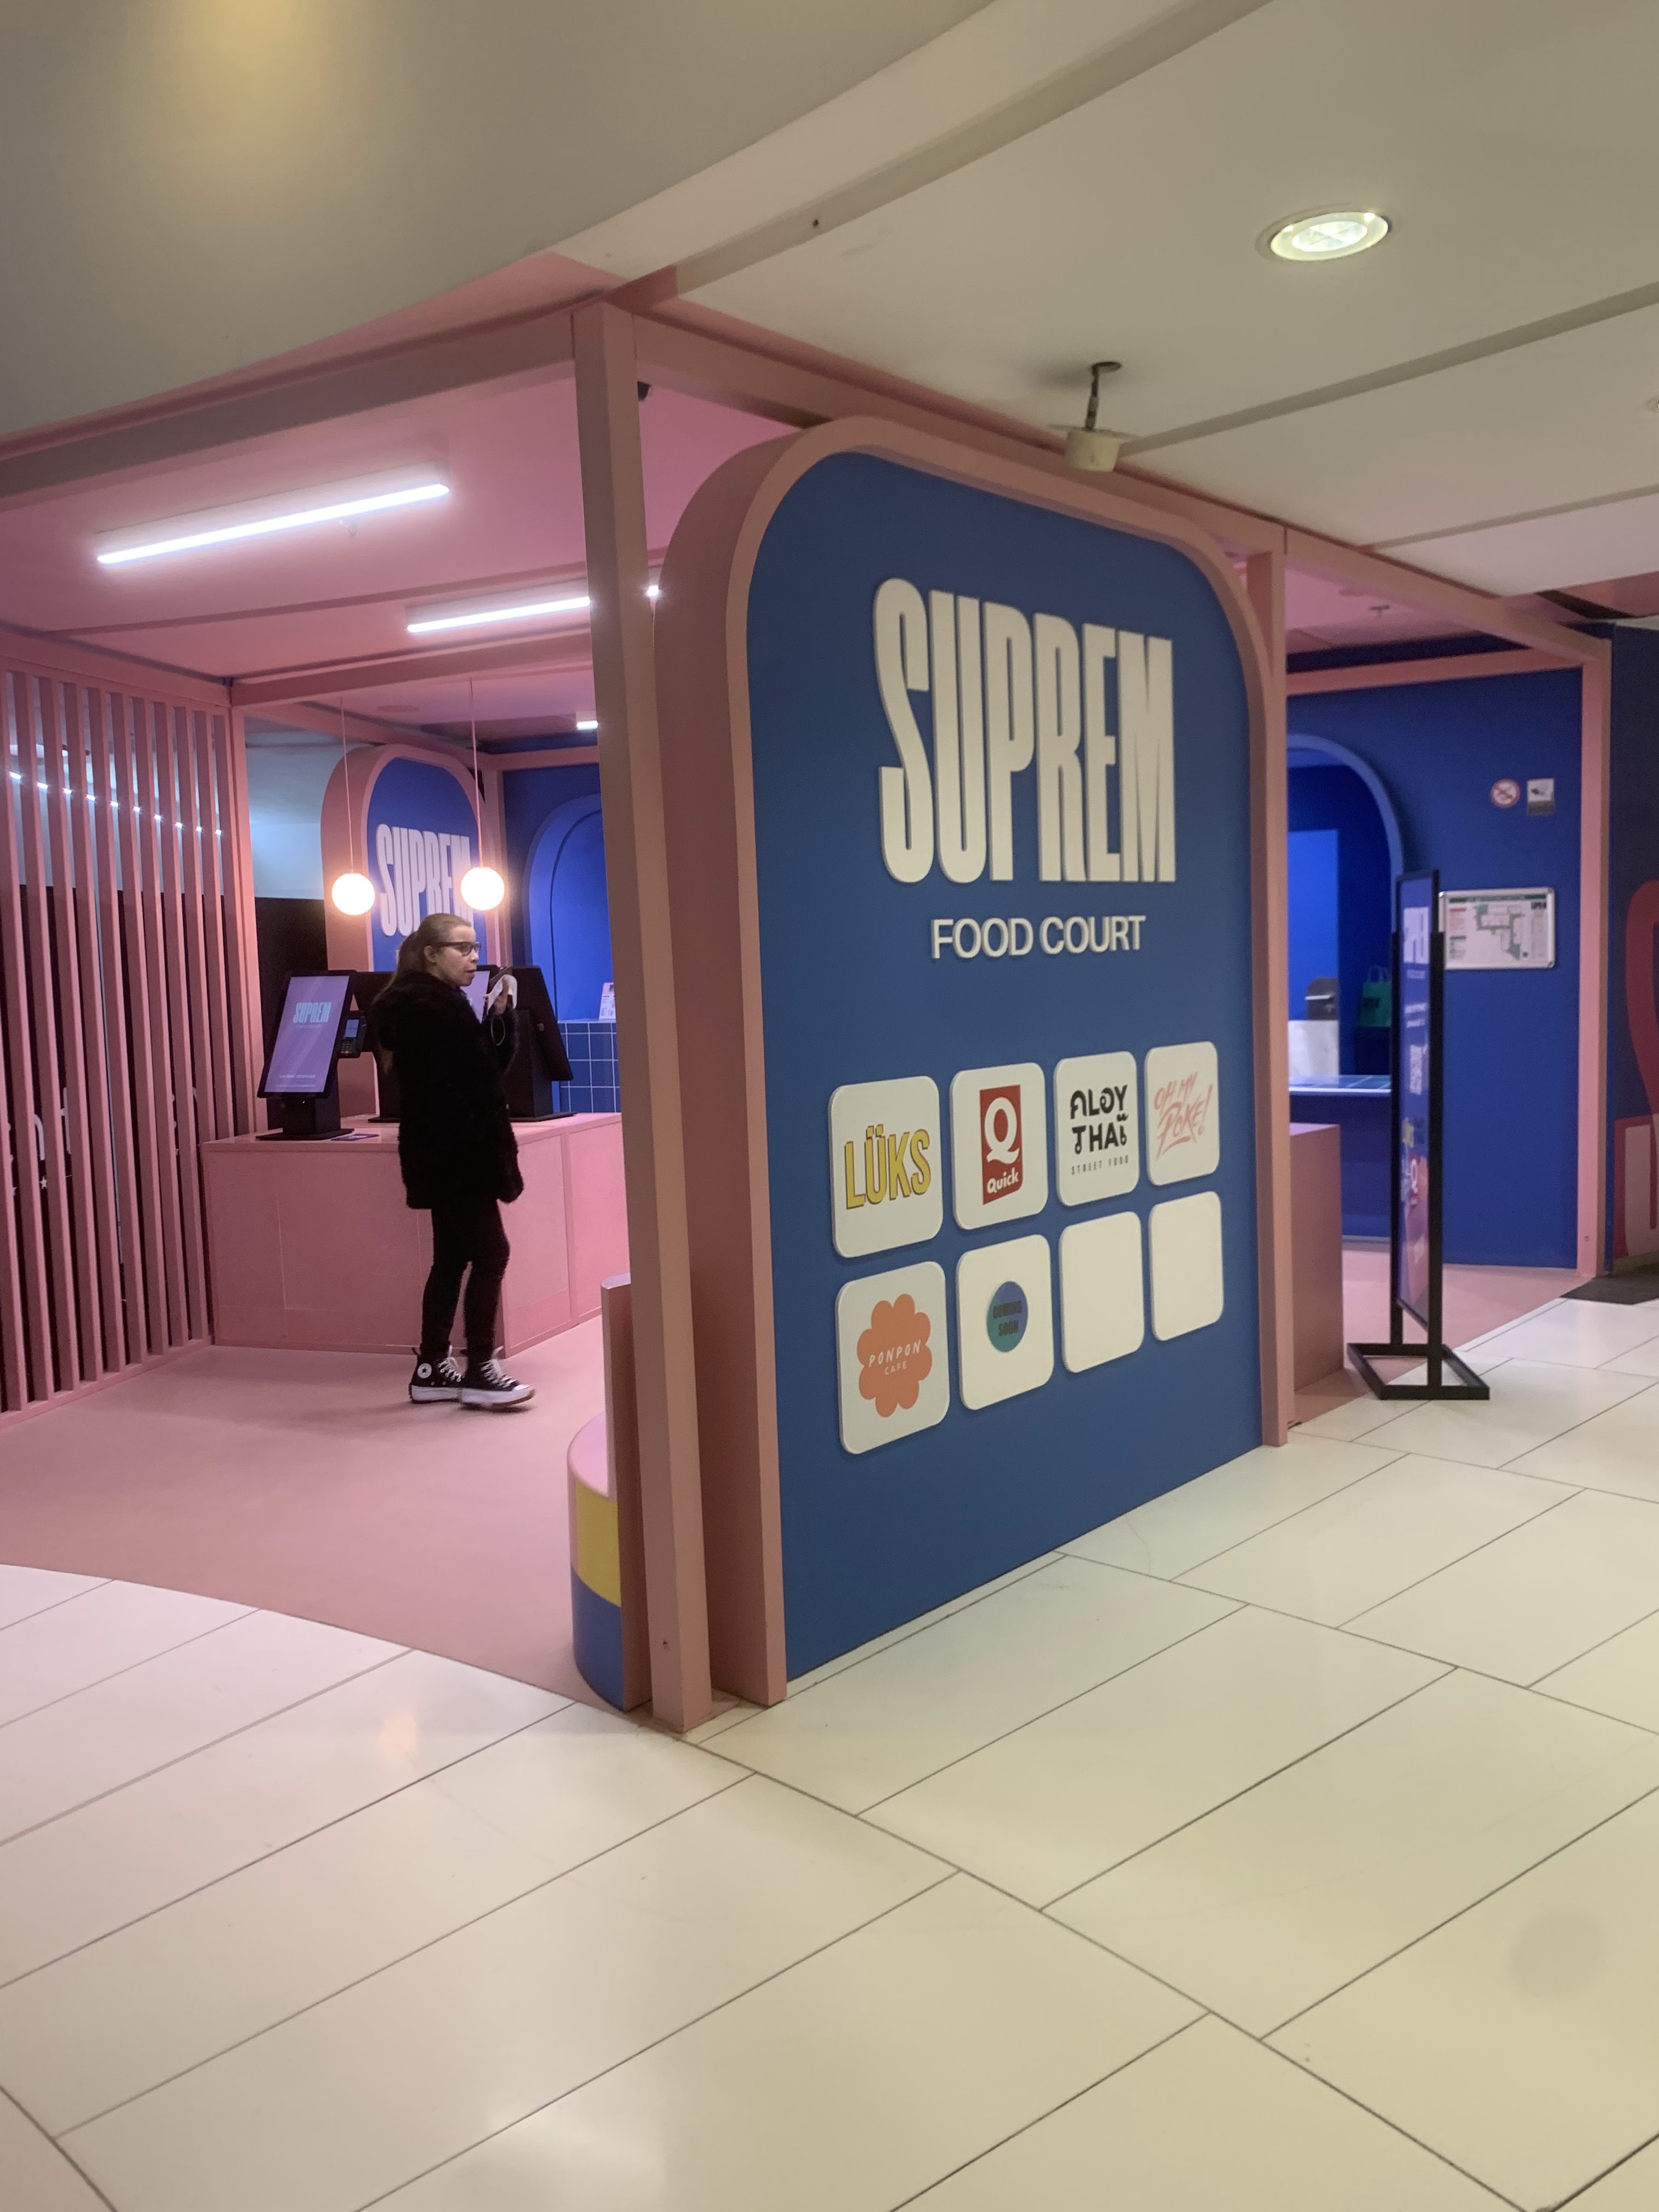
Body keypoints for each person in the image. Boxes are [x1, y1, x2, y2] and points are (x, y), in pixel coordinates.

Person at [370, 913, 534, 1410]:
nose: (474, 958)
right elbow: (483, 1078)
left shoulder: (420, 1003)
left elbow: (476, 1071)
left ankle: (432, 1367)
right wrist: (498, 1022)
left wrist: (497, 1018)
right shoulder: (434, 1007)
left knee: (452, 1258)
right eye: (462, 948)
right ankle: (480, 1368)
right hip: (462, 1155)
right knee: (492, 1254)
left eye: (475, 947)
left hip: (442, 1153)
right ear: (431, 953)